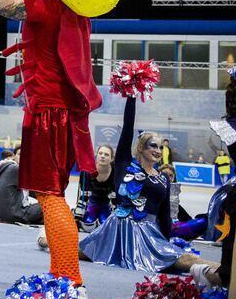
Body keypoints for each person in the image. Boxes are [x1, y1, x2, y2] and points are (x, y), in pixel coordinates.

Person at [0, 0, 101, 299]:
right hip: (63, 114)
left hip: (46, 113)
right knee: (54, 195)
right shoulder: (74, 8)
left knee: (51, 197)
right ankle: (61, 273)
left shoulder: (44, 3)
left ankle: (72, 281)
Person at [80, 94, 220, 286]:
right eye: (152, 145)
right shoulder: (125, 164)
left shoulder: (163, 178)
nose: (157, 150)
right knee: (72, 250)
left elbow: (164, 217)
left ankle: (223, 271)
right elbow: (127, 129)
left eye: (160, 147)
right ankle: (44, 240)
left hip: (148, 234)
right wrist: (131, 97)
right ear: (141, 148)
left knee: (182, 259)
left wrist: (167, 241)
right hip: (115, 232)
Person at [75, 144, 116, 230]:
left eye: (106, 154)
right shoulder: (87, 170)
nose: (102, 156)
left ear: (112, 158)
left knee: (105, 224)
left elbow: (116, 196)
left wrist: (116, 211)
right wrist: (79, 213)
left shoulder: (115, 171)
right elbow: (82, 194)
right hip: (91, 203)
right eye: (100, 153)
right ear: (96, 155)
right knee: (88, 223)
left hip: (106, 205)